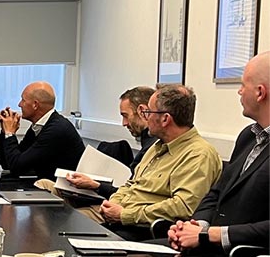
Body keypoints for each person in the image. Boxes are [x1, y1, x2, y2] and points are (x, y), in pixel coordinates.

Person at [164, 52, 269, 257]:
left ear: (260, 92)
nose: (239, 91)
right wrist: (196, 227)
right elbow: (216, 192)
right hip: (207, 247)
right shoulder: (247, 137)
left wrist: (210, 234)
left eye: (243, 85)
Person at [92, 84, 222, 234]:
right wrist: (113, 204)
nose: (146, 117)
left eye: (148, 112)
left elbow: (183, 207)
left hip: (145, 231)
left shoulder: (198, 155)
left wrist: (125, 215)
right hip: (122, 221)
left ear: (165, 119)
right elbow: (131, 184)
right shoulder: (157, 146)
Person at [49, 86, 159, 200]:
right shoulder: (151, 145)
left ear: (142, 112)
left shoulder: (153, 148)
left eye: (125, 116)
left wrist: (96, 186)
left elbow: (132, 196)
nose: (124, 123)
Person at [0, 81, 84, 180]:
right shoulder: (40, 125)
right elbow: (8, 163)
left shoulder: (56, 129)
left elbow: (17, 167)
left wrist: (10, 133)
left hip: (64, 192)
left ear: (35, 105)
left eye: (23, 100)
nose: (19, 104)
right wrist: (5, 131)